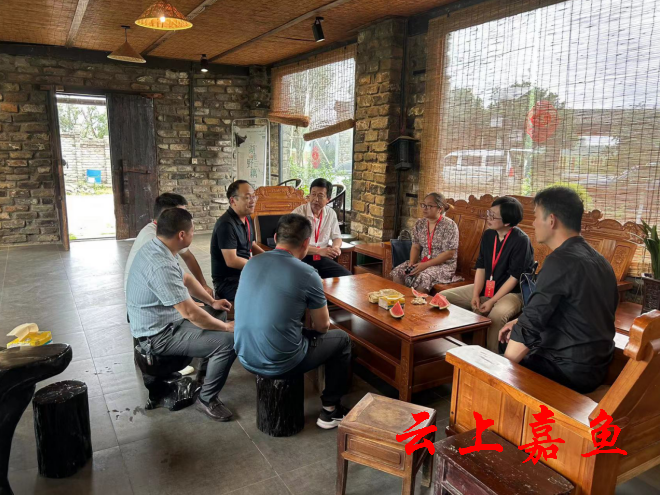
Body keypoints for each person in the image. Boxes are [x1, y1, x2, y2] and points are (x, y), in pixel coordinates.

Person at [234, 213, 352, 429]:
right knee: (341, 339)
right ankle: (330, 410)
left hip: (244, 354)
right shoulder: (308, 273)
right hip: (281, 362)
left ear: (276, 237)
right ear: (306, 243)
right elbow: (322, 326)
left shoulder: (251, 263)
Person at [498, 186, 618, 394]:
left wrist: (497, 374)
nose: (533, 223)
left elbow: (531, 325)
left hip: (565, 370)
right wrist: (518, 322)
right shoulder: (600, 261)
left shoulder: (560, 261)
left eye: (536, 216)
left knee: (501, 351)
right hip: (595, 366)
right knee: (513, 333)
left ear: (551, 220)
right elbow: (578, 311)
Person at [126, 208, 237, 421]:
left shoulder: (159, 247)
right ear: (182, 235)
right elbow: (189, 313)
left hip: (166, 320)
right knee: (229, 342)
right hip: (157, 336)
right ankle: (207, 399)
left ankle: (204, 376)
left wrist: (211, 301)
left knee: (217, 311)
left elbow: (185, 279)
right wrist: (226, 327)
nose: (194, 234)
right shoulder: (160, 265)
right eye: (193, 231)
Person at [441, 196, 534, 352]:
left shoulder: (521, 241)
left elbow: (514, 278)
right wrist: (476, 294)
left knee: (497, 316)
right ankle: (460, 347)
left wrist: (492, 301)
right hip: (488, 286)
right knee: (444, 298)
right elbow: (481, 266)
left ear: (507, 222)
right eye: (489, 213)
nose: (488, 218)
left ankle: (492, 357)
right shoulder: (489, 235)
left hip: (512, 292)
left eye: (493, 216)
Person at [124, 193, 212, 297]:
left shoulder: (170, 232)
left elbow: (188, 257)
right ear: (168, 215)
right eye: (181, 214)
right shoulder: (152, 239)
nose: (186, 219)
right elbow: (167, 279)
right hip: (145, 294)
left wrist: (203, 285)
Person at [391, 192, 460, 293]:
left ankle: (417, 302)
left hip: (443, 265)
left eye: (429, 206)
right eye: (423, 205)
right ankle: (399, 299)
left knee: (424, 277)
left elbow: (449, 253)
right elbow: (416, 246)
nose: (425, 208)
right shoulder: (420, 223)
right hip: (423, 261)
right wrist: (412, 263)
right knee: (399, 271)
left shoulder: (449, 225)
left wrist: (426, 265)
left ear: (440, 209)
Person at [211, 180, 265, 302]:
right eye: (247, 197)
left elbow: (252, 244)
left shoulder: (247, 218)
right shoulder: (226, 224)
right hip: (229, 282)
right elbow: (232, 260)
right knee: (265, 296)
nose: (252, 201)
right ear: (233, 201)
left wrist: (271, 258)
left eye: (254, 196)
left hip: (245, 273)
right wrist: (259, 266)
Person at [291, 178, 351, 279]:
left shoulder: (331, 213)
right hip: (301, 258)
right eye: (313, 194)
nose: (315, 199)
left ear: (328, 199)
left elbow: (337, 237)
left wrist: (336, 247)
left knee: (347, 277)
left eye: (320, 196)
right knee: (313, 279)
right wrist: (319, 251)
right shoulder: (298, 214)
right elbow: (293, 245)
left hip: (322, 258)